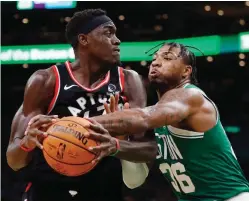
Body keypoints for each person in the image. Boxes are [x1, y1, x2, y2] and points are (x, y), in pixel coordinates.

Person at [6, 9, 154, 201]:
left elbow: (143, 154)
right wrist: (27, 143)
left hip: (104, 189)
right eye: (108, 33)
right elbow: (14, 161)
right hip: (48, 189)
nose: (117, 40)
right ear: (83, 40)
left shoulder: (129, 81)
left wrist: (121, 136)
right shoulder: (46, 80)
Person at [86, 42, 249, 201]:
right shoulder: (162, 114)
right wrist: (118, 143)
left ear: (186, 71)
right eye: (154, 58)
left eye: (167, 57)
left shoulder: (190, 96)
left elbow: (142, 118)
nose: (156, 62)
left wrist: (76, 123)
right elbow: (134, 181)